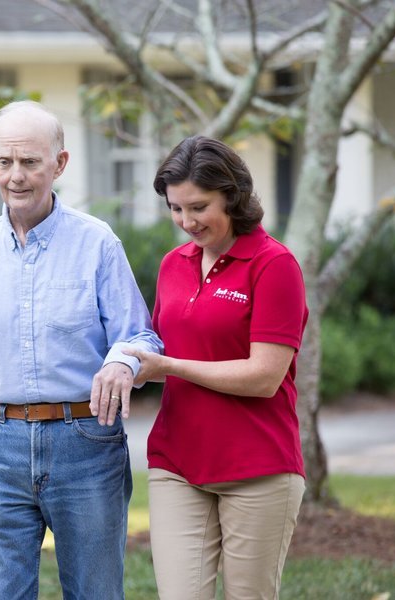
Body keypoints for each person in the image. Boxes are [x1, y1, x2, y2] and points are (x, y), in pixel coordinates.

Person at [0, 100, 162, 600]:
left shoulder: (98, 244)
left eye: (30, 162)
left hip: (87, 446)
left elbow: (141, 336)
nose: (16, 176)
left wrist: (121, 358)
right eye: (5, 162)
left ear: (60, 163)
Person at [122, 136, 308, 600]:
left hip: (258, 466)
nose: (187, 222)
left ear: (233, 195)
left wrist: (170, 365)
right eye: (175, 208)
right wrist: (135, 367)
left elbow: (265, 377)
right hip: (177, 463)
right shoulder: (172, 266)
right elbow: (168, 357)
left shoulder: (273, 265)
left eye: (199, 206)